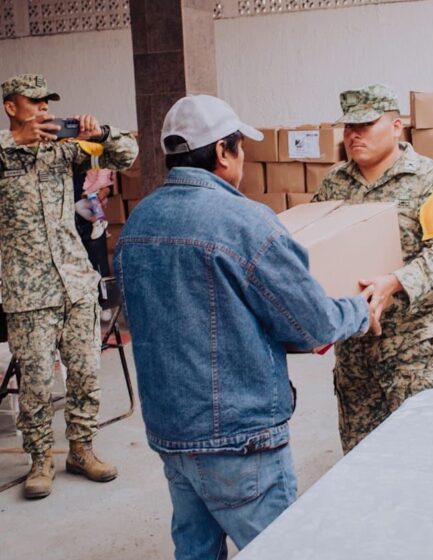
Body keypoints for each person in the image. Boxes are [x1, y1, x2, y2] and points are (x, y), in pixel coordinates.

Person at [115, 94, 376, 558]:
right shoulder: (246, 221)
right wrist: (360, 308)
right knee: (276, 547)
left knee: (195, 550)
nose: (243, 158)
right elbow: (312, 324)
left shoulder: (139, 222)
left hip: (171, 432)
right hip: (239, 438)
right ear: (222, 152)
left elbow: (147, 316)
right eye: (240, 147)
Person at [0, 73, 138, 499]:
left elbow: (126, 156)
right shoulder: (4, 155)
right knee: (38, 382)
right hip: (28, 292)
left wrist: (104, 132)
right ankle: (40, 459)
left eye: (48, 102)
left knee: (86, 374)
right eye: (35, 102)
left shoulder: (65, 151)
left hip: (76, 282)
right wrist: (16, 143)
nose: (44, 109)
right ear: (12, 107)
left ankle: (81, 449)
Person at [313, 84, 433, 452]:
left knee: (422, 457)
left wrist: (395, 282)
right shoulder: (335, 183)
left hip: (415, 348)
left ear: (396, 126)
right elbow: (313, 248)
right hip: (354, 352)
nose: (353, 134)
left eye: (365, 124)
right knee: (361, 461)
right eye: (349, 127)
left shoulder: (431, 178)